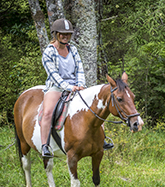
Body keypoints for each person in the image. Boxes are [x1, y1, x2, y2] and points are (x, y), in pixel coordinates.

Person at [40, 18, 112, 158]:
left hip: (75, 86)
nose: (65, 36)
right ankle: (45, 146)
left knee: (95, 106)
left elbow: (79, 69)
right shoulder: (48, 52)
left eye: (68, 34)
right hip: (56, 87)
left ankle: (102, 138)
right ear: (55, 34)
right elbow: (54, 75)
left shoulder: (72, 49)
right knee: (48, 113)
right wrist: (68, 87)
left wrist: (80, 85)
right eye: (62, 33)